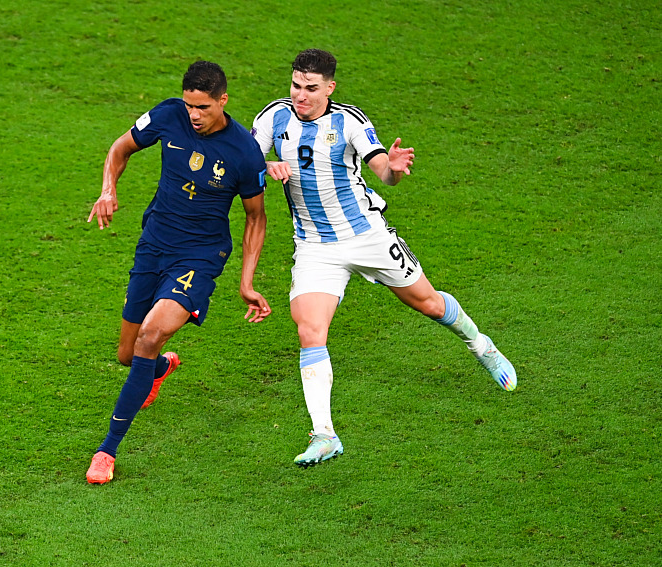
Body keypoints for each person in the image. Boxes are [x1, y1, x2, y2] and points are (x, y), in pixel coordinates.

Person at [251, 49, 517, 467]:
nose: (300, 96)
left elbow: (382, 170)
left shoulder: (349, 121)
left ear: (330, 88)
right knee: (310, 329)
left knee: (429, 303)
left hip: (366, 237)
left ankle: (481, 345)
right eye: (296, 85)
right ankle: (324, 434)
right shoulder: (273, 118)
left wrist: (392, 169)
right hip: (315, 246)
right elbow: (245, 164)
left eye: (311, 88)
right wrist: (265, 166)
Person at [86, 61, 271, 484]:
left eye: (203, 107)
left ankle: (106, 451)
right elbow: (120, 149)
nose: (194, 115)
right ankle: (159, 369)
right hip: (154, 245)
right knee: (128, 356)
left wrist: (246, 281)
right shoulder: (168, 115)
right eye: (189, 105)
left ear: (222, 101)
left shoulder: (244, 151)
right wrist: (108, 190)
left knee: (151, 335)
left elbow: (255, 217)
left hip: (200, 256)